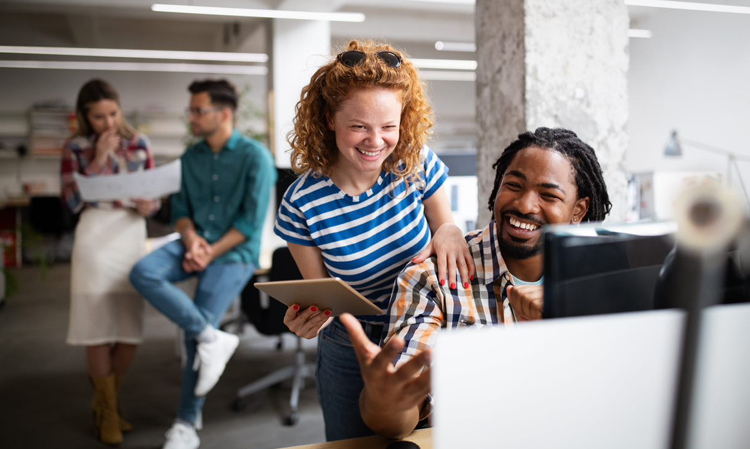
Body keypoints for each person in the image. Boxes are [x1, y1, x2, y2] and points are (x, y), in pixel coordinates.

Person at [341, 127, 613, 439]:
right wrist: (386, 403)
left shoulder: (600, 279)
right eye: (513, 186)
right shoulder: (432, 277)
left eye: (548, 195)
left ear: (578, 210)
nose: (525, 206)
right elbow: (402, 411)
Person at [273, 40, 475, 441]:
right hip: (352, 344)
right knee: (354, 443)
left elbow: (444, 229)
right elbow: (324, 297)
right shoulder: (302, 202)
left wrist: (450, 231)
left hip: (426, 328)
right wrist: (308, 317)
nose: (376, 141)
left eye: (388, 126)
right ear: (330, 119)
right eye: (359, 127)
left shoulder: (413, 163)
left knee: (435, 439)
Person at [128, 79, 276, 449]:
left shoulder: (255, 156)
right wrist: (192, 239)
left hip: (234, 253)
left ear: (224, 114)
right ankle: (213, 338)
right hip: (192, 244)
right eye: (191, 110)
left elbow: (249, 223)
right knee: (144, 272)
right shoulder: (191, 158)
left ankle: (186, 424)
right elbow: (180, 212)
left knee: (197, 330)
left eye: (198, 110)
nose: (191, 117)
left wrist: (210, 250)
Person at [62, 79, 159, 445]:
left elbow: (152, 193)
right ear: (86, 117)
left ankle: (106, 403)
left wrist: (152, 204)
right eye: (99, 117)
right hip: (94, 237)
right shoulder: (75, 147)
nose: (108, 123)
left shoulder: (140, 143)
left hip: (131, 233)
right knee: (98, 327)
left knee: (128, 328)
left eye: (113, 114)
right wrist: (99, 159)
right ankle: (109, 412)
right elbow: (70, 203)